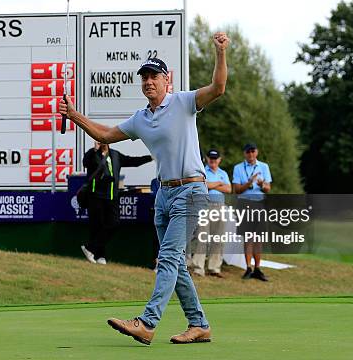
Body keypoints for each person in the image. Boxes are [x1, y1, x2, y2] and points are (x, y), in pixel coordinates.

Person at [59, 32, 230, 345]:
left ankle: (147, 323)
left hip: (191, 191)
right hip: (164, 195)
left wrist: (220, 53)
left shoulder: (184, 102)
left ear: (167, 80)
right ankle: (199, 324)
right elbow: (106, 134)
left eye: (154, 76)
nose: (149, 81)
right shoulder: (141, 118)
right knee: (175, 262)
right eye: (145, 77)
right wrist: (74, 116)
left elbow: (218, 88)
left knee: (166, 258)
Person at [81, 141, 152, 265]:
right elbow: (85, 163)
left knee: (113, 224)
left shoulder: (115, 155)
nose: (102, 141)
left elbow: (133, 161)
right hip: (95, 196)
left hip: (111, 196)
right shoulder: (93, 154)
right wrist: (94, 150)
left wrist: (150, 157)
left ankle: (90, 248)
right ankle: (100, 256)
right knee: (97, 226)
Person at [232, 142, 272, 281]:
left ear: (257, 152)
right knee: (248, 238)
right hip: (245, 203)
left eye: (252, 151)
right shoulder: (238, 168)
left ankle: (258, 268)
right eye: (248, 152)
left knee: (258, 238)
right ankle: (248, 267)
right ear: (245, 153)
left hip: (259, 203)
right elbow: (237, 190)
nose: (250, 154)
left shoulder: (264, 167)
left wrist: (261, 185)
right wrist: (249, 183)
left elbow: (268, 188)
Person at [190, 149, 231, 278]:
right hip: (205, 206)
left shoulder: (223, 173)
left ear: (219, 160)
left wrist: (211, 185)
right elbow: (203, 185)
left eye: (215, 159)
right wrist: (219, 183)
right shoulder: (203, 171)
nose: (213, 161)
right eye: (211, 158)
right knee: (202, 236)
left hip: (220, 207)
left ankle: (214, 267)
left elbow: (229, 189)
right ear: (207, 159)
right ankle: (198, 268)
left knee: (218, 238)